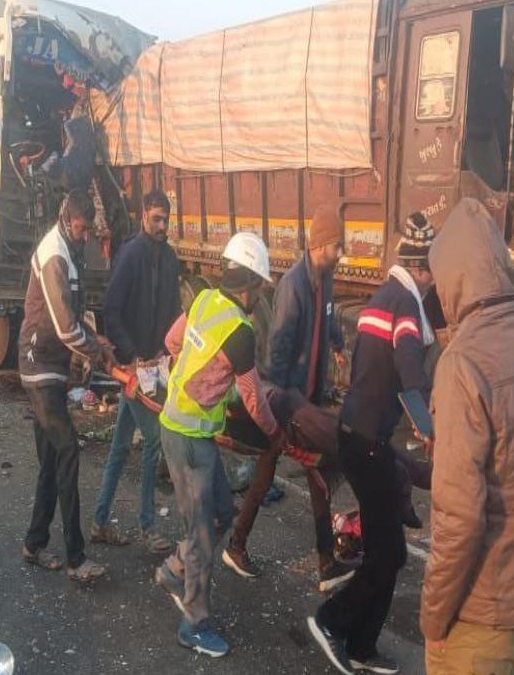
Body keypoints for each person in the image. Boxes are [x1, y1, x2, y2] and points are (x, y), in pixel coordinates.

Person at [421, 199, 514, 674]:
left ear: (453, 278)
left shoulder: (463, 363)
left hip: (476, 611)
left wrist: (433, 617)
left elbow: (459, 518)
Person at [309, 212, 439, 675]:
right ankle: (331, 621)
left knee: (391, 554)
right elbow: (410, 372)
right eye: (434, 273)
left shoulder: (382, 297)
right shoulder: (405, 306)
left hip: (362, 440)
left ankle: (363, 647)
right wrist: (432, 429)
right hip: (366, 444)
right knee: (388, 555)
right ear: (422, 270)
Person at [154, 232, 288, 658]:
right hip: (189, 440)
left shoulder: (203, 300)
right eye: (261, 287)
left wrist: (202, 379)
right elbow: (254, 399)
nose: (260, 297)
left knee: (220, 517)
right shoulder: (240, 332)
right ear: (250, 285)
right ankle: (194, 624)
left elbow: (173, 343)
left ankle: (173, 571)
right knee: (201, 534)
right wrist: (275, 435)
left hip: (184, 430)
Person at [223, 201, 353, 592]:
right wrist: (277, 405)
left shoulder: (325, 279)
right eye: (338, 245)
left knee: (285, 477)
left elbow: (328, 316)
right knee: (303, 475)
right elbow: (278, 348)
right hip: (288, 400)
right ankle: (323, 562)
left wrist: (337, 344)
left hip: (307, 396)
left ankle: (239, 545)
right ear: (321, 244)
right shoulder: (293, 286)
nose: (341, 253)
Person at [19, 189, 115, 583]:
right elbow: (64, 327)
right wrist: (97, 351)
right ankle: (76, 558)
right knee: (68, 451)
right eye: (81, 228)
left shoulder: (70, 249)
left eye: (89, 230)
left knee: (51, 461)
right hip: (39, 366)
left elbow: (75, 315)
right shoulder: (55, 254)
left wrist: (94, 340)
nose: (86, 236)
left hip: (51, 367)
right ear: (66, 218)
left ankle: (34, 544)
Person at [90, 189, 180, 553]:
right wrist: (130, 355)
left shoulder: (170, 258)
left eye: (166, 220)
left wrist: (165, 351)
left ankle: (99, 521)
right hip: (132, 367)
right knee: (153, 439)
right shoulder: (131, 254)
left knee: (120, 447)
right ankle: (147, 524)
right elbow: (112, 310)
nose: (162, 226)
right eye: (156, 219)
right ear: (143, 216)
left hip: (155, 366)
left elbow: (173, 310)